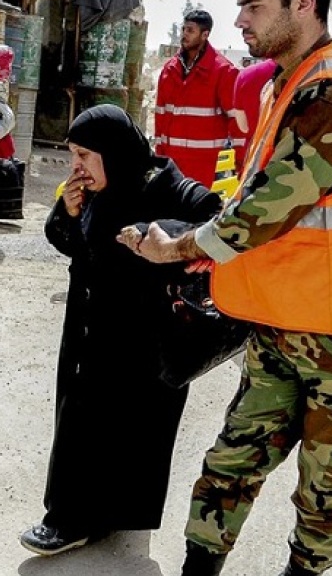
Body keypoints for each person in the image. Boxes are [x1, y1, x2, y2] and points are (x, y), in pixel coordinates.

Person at [119, 0, 332, 576]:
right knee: (230, 463)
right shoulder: (287, 87)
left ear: (303, 4)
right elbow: (261, 203)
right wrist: (217, 252)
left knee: (325, 493)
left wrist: (175, 249)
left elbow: (261, 214)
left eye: (253, 6)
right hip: (285, 325)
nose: (239, 21)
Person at [20, 105, 222, 556]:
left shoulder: (167, 186)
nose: (77, 166)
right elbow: (65, 241)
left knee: (138, 429)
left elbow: (216, 220)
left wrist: (165, 240)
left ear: (114, 153)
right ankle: (70, 517)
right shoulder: (88, 192)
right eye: (73, 153)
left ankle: (106, 517)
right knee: (81, 421)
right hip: (93, 332)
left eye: (86, 155)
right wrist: (66, 213)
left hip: (147, 338)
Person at [154, 9, 241, 186]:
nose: (184, 35)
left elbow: (236, 120)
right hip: (172, 166)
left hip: (205, 168)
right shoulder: (169, 70)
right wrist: (160, 158)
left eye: (190, 30)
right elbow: (160, 117)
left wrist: (237, 163)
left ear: (205, 34)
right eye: (184, 29)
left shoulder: (223, 71)